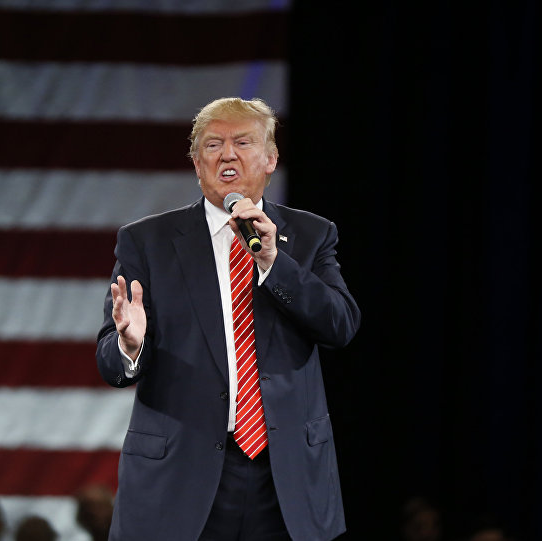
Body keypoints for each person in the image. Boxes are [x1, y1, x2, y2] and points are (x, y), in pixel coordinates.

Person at [95, 97, 361, 540]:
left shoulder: (312, 236)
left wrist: (276, 263)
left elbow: (340, 326)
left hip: (285, 477)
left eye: (242, 142)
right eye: (213, 145)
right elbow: (111, 363)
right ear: (197, 163)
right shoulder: (147, 241)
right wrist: (130, 346)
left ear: (271, 158)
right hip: (180, 476)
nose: (227, 154)